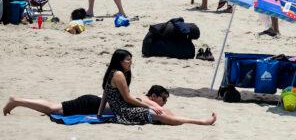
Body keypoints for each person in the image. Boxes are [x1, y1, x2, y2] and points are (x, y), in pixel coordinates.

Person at [99, 49, 216, 125]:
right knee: (160, 115)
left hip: (124, 108)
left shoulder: (114, 73)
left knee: (160, 111)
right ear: (120, 62)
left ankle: (188, 119)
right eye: (128, 60)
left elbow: (106, 92)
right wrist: (147, 106)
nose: (130, 62)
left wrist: (99, 113)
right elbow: (127, 98)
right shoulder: (118, 74)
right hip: (124, 112)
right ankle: (201, 122)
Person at [3, 85, 170, 118]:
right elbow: (155, 108)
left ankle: (19, 101)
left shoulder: (140, 99)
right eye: (163, 100)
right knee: (54, 109)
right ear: (154, 96)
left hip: (93, 102)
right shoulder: (144, 99)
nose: (163, 104)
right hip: (92, 103)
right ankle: (17, 100)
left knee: (55, 107)